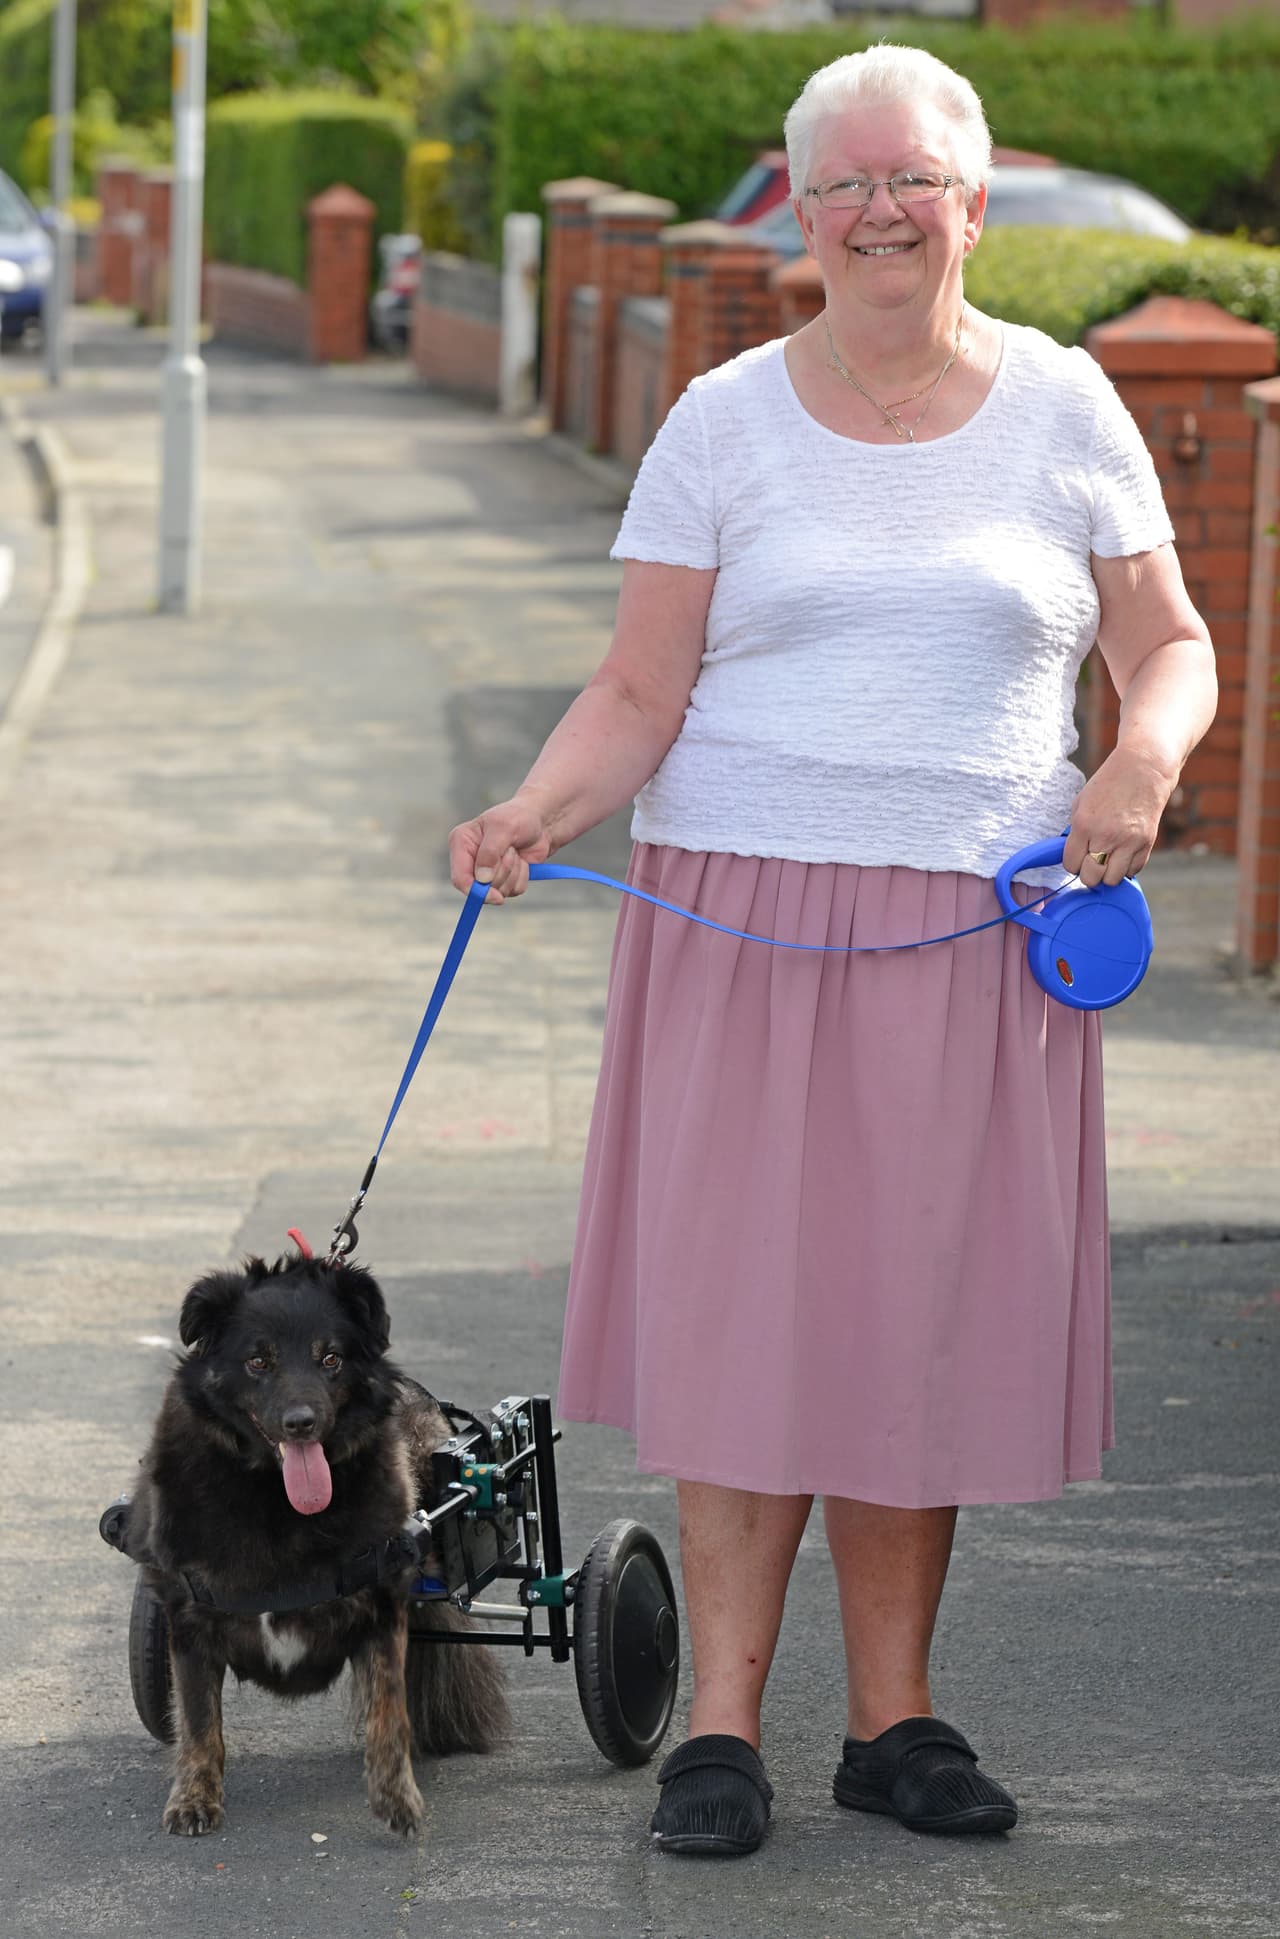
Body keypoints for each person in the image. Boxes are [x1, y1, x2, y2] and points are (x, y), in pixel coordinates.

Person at [449, 44, 1217, 1856]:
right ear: (803, 213)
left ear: (971, 200)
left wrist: (1143, 757)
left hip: (976, 929)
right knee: (746, 1321)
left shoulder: (1067, 406)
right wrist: (540, 811)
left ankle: (897, 1720)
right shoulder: (721, 417)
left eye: (914, 177)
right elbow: (642, 686)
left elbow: (1168, 643)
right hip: (743, 920)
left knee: (912, 1323)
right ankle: (720, 1728)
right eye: (845, 182)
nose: (881, 209)